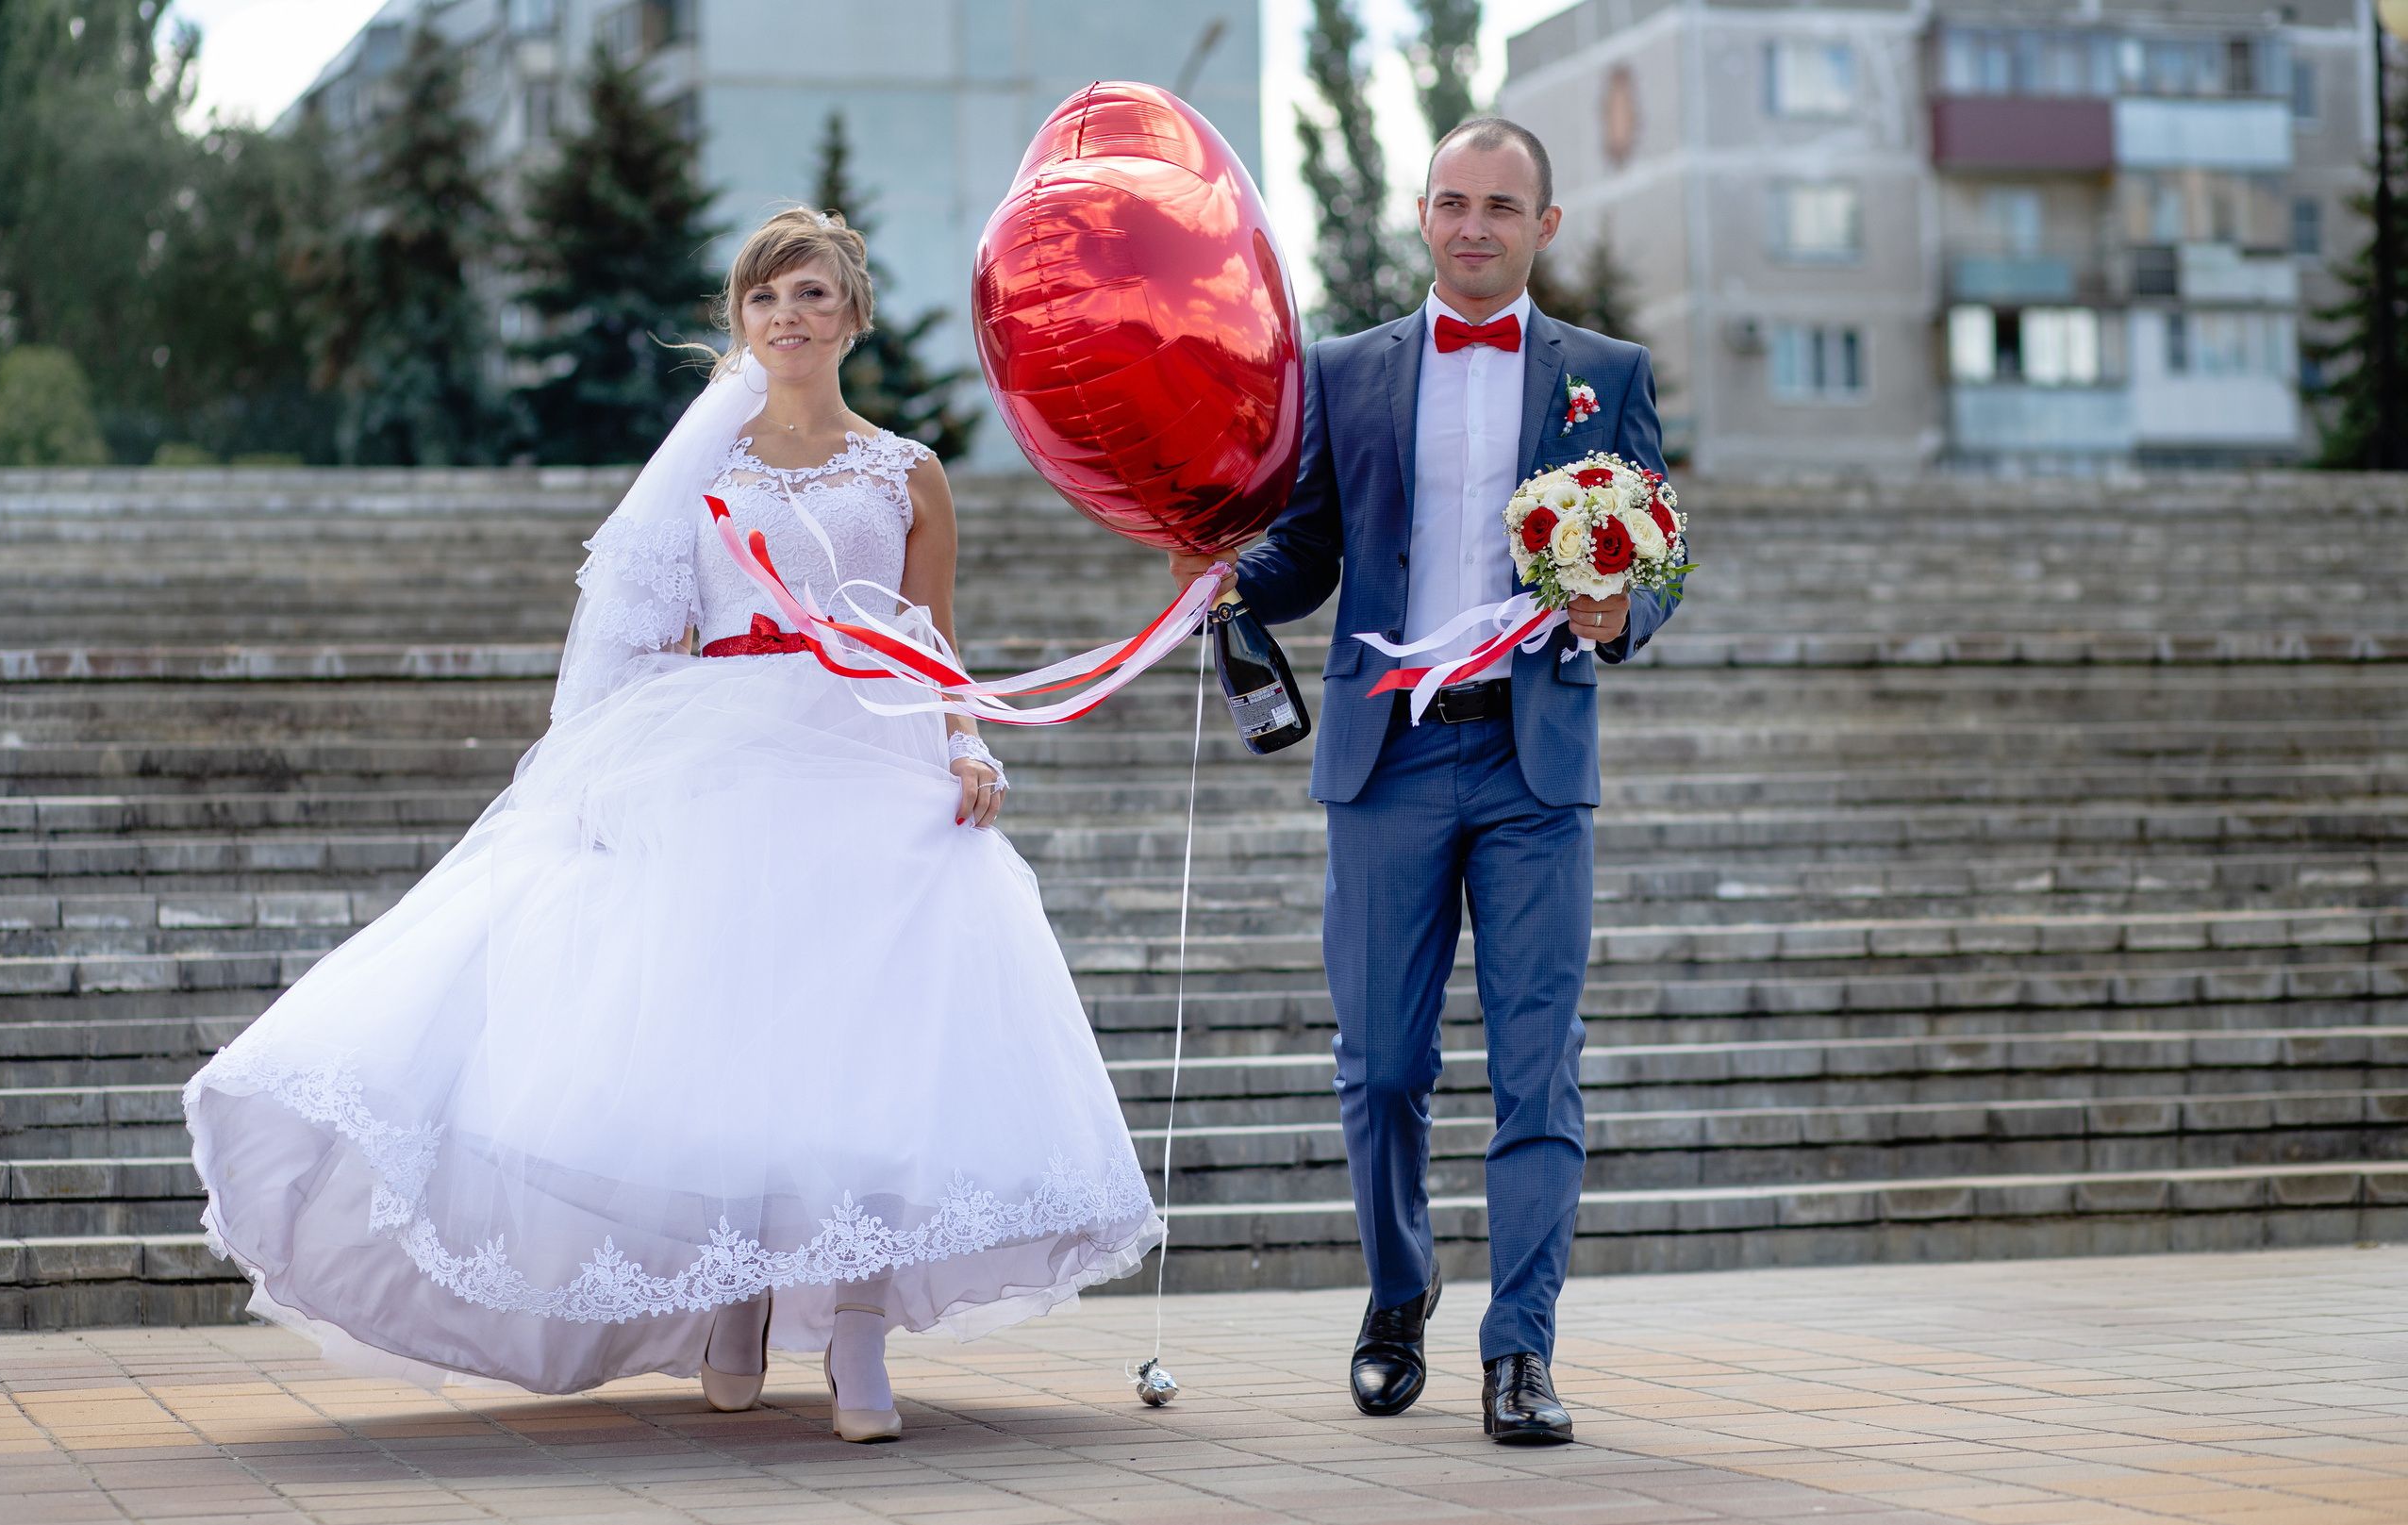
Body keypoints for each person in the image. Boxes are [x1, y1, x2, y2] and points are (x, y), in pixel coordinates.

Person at [186, 207, 1160, 1440]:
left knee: (862, 1056)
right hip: (728, 762)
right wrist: (604, 774)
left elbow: (930, 638)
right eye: (767, 299)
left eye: (813, 296)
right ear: (740, 320)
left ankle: (857, 1335)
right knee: (737, 1047)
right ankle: (736, 1300)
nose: (790, 317)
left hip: (869, 767)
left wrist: (965, 742)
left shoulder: (908, 470)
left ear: (852, 316)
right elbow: (635, 631)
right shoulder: (702, 468)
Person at [1171, 120, 1676, 1446]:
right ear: (1422, 213)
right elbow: (1309, 547)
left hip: (1532, 758)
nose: (1474, 226)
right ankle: (1400, 1294)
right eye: (1453, 202)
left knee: (1536, 1070)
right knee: (1384, 1066)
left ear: (1543, 227)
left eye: (1502, 206)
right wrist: (1231, 579)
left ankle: (1523, 1352)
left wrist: (1625, 611)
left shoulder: (1604, 373)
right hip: (1388, 752)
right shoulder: (1345, 372)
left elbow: (1658, 548)